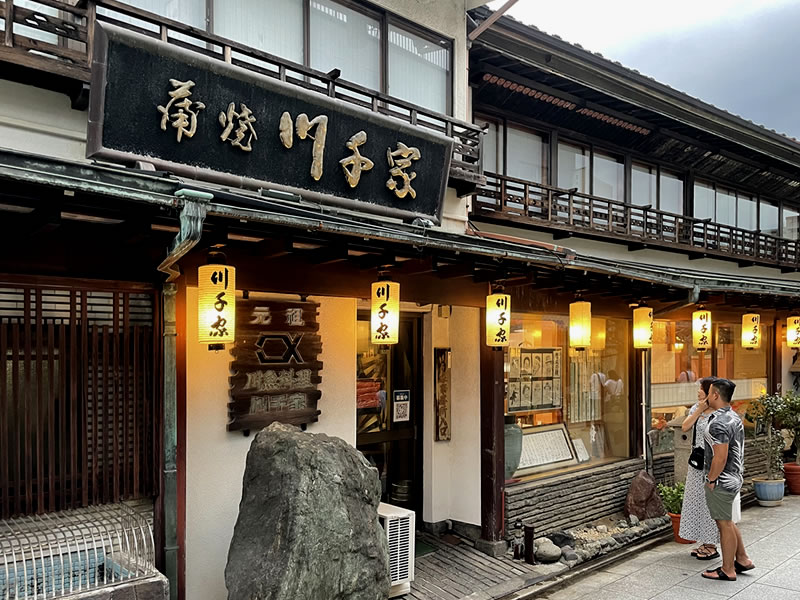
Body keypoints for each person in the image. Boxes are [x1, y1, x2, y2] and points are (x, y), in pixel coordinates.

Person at [701, 378, 755, 581]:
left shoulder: (719, 423)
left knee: (723, 523)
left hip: (722, 479)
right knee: (728, 521)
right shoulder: (733, 416)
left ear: (715, 395)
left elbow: (720, 457)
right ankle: (742, 559)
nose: (706, 396)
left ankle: (728, 568)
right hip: (735, 476)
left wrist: (711, 479)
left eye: (709, 392)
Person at [679, 377, 719, 560]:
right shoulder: (697, 408)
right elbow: (685, 426)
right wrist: (700, 410)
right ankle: (703, 541)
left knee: (709, 502)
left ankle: (711, 545)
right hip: (697, 461)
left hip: (712, 462)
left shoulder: (720, 412)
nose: (698, 392)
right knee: (696, 500)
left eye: (701, 389)